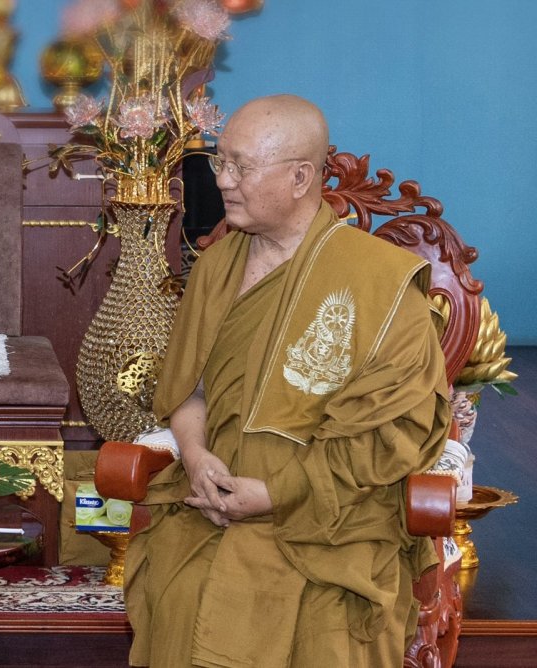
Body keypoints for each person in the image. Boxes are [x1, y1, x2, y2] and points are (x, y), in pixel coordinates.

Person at [124, 95, 451, 666]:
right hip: (212, 505)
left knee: (319, 621)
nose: (222, 180)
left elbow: (394, 433)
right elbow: (188, 389)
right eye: (219, 162)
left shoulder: (381, 284)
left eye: (241, 166)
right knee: (179, 591)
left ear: (302, 177)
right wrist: (197, 458)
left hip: (332, 524)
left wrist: (275, 495)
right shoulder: (215, 266)